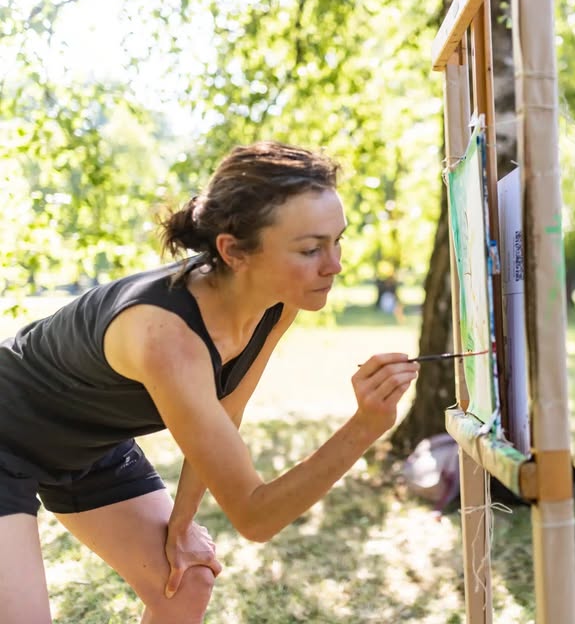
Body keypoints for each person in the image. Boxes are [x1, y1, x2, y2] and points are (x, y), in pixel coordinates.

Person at [0, 141, 420, 623]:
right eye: (310, 249)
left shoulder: (277, 300)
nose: (335, 265)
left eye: (337, 240)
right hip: (6, 437)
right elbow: (255, 516)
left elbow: (226, 412)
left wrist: (181, 524)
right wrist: (366, 425)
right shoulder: (167, 338)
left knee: (187, 580)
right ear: (233, 251)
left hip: (91, 445)